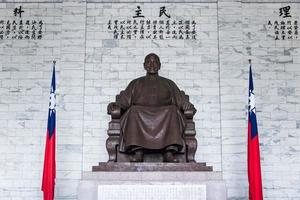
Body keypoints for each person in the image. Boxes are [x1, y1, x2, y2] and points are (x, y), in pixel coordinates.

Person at [108, 53, 196, 162]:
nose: (152, 64)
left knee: (173, 110)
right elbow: (124, 102)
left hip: (165, 115)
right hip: (139, 114)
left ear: (159, 65)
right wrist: (116, 105)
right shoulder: (135, 83)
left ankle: (169, 152)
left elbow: (180, 101)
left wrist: (186, 105)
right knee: (133, 110)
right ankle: (138, 151)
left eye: (155, 62)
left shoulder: (168, 83)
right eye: (149, 62)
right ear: (144, 65)